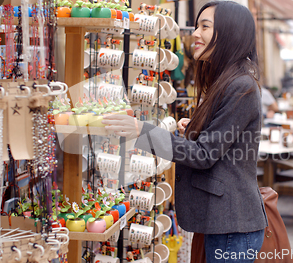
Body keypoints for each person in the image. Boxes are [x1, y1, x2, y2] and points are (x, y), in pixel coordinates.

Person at [102, 1, 267, 262]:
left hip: (232, 226)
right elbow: (220, 143)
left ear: (229, 32)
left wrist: (141, 131)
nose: (195, 34)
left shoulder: (241, 86)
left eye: (205, 26)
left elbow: (204, 154)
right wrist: (194, 128)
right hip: (221, 222)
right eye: (196, 25)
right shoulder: (225, 81)